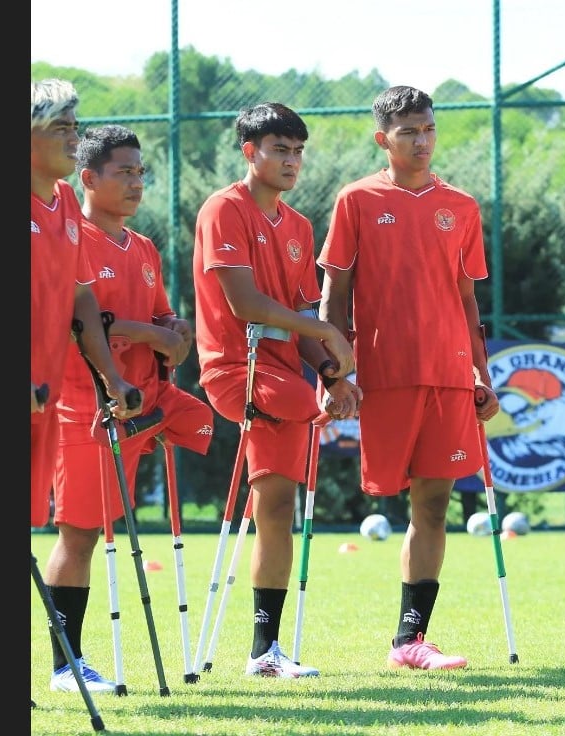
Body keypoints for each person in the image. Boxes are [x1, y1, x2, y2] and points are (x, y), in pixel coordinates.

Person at [317, 85, 500, 671]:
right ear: (383, 139)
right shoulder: (356, 200)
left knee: (434, 502)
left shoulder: (463, 206)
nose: (422, 142)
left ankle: (410, 641)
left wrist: (481, 372)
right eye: (408, 133)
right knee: (393, 497)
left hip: (449, 374)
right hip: (384, 374)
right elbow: (335, 292)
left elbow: (468, 300)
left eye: (428, 130)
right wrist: (333, 369)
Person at [42, 124, 218, 693]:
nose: (137, 182)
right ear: (88, 178)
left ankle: (152, 425)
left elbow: (162, 319)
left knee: (206, 422)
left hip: (142, 401)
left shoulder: (143, 248)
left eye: (141, 172)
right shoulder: (71, 239)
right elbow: (80, 326)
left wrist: (174, 329)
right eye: (125, 172)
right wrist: (151, 334)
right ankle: (65, 664)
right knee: (80, 535)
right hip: (85, 405)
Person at [192, 102, 361, 679]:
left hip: (285, 375)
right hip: (236, 369)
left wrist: (333, 372)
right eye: (279, 150)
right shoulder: (224, 209)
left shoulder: (298, 225)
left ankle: (266, 652)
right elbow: (245, 306)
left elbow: (300, 313)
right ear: (250, 152)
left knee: (278, 507)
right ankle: (264, 653)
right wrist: (325, 337)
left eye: (297, 152)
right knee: (303, 437)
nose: (291, 162)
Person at [31, 79, 141, 692]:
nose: (74, 139)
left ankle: (62, 665)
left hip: (45, 396)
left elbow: (80, 303)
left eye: (77, 127)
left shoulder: (66, 207)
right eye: (60, 129)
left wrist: (114, 378)